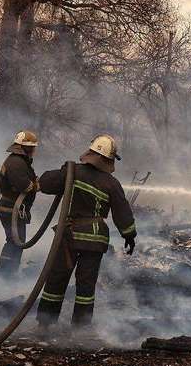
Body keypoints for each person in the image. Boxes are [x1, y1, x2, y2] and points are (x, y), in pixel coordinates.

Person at [36, 134, 136, 328]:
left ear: (91, 153)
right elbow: (123, 213)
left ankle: (45, 324)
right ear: (109, 160)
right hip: (95, 240)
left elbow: (47, 182)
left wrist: (38, 182)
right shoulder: (112, 184)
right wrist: (129, 235)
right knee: (86, 284)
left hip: (69, 237)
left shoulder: (72, 171)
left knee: (57, 278)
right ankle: (80, 328)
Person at [0, 130, 40, 278]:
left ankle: (7, 275)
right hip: (12, 209)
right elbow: (25, 186)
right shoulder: (16, 163)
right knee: (14, 243)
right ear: (26, 147)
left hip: (14, 209)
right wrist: (37, 185)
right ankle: (3, 277)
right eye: (32, 147)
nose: (34, 150)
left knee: (16, 243)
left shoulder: (19, 162)